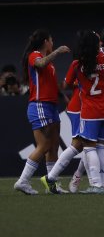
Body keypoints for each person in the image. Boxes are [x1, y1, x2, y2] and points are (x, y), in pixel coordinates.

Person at [41, 30, 104, 194]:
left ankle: (94, 184)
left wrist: (78, 82)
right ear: (95, 45)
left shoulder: (77, 64)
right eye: (98, 41)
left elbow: (66, 85)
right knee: (100, 147)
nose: (100, 43)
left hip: (89, 111)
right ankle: (100, 183)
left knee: (87, 148)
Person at [14, 29, 70, 195]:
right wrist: (58, 52)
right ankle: (23, 181)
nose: (53, 44)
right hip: (40, 105)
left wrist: (64, 99)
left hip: (52, 106)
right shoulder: (35, 55)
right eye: (51, 41)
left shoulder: (49, 64)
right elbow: (39, 64)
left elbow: (52, 85)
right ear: (46, 41)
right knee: (44, 145)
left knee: (53, 147)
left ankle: (52, 184)